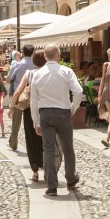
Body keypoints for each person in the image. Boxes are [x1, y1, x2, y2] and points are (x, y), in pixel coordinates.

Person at [30, 43, 82, 197]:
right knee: (67, 148)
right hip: (63, 112)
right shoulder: (67, 71)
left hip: (45, 113)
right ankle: (70, 179)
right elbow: (78, 91)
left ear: (45, 56)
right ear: (59, 56)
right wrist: (73, 107)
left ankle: (51, 185)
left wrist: (36, 121)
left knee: (48, 149)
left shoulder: (37, 74)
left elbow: (33, 100)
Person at [10, 49, 62, 183]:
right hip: (46, 109)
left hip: (30, 112)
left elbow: (18, 91)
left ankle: (35, 172)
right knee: (46, 140)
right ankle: (46, 167)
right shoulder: (49, 73)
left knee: (31, 140)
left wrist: (11, 107)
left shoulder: (29, 74)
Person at [6, 45, 35, 151]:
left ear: (22, 53)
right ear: (33, 53)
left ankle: (13, 142)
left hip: (19, 95)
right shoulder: (36, 65)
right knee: (32, 121)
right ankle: (32, 145)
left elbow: (9, 79)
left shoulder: (18, 64)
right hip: (32, 95)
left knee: (16, 121)